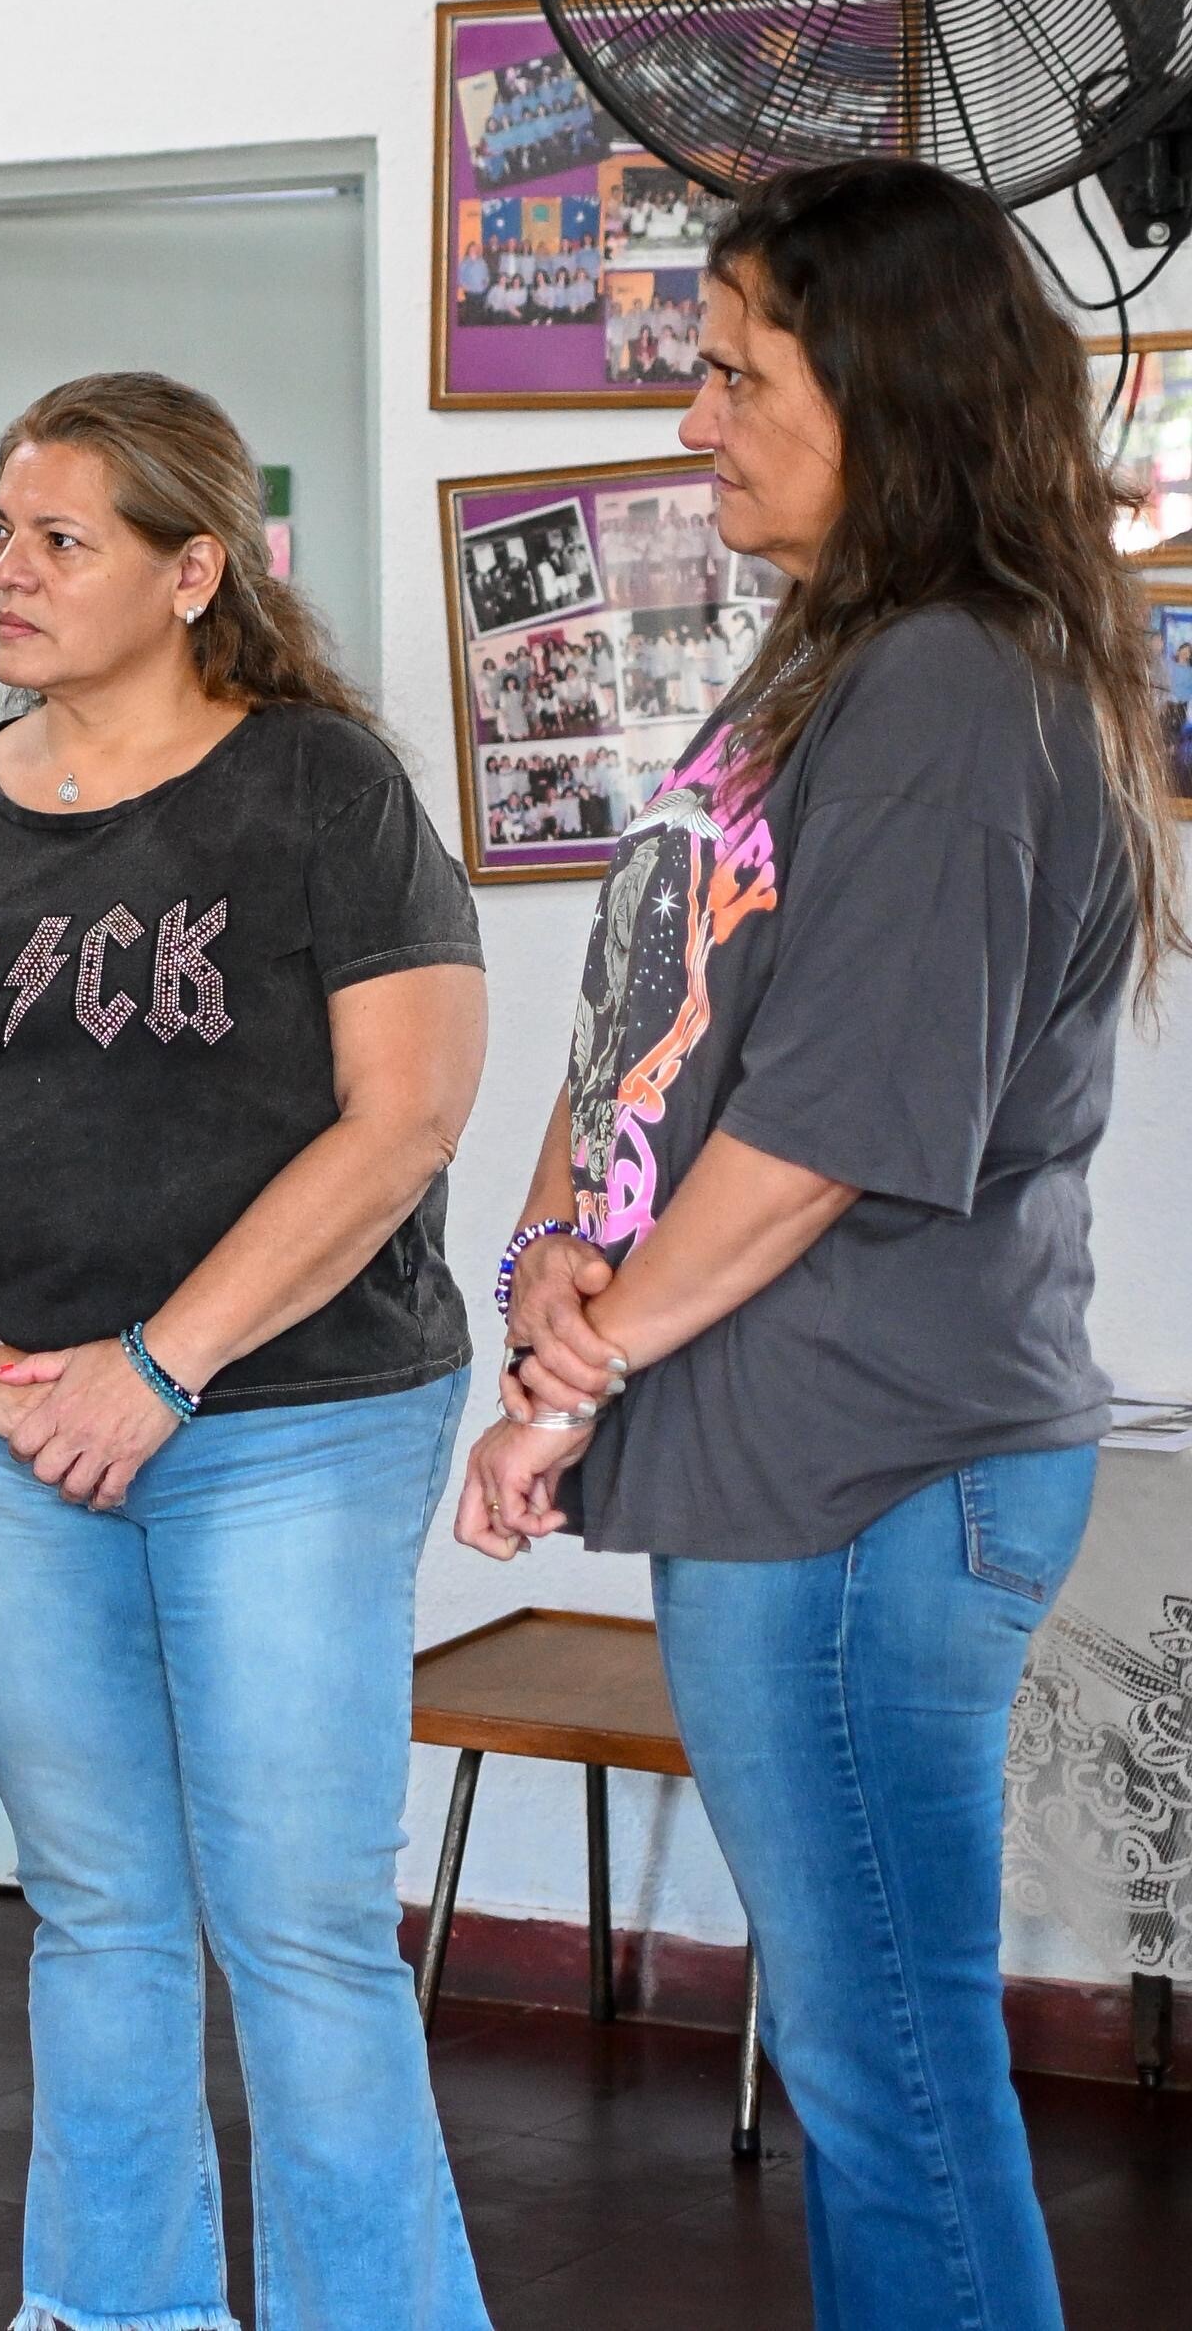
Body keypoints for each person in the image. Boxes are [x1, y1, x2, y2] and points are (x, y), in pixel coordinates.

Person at [461, 161, 1175, 2331]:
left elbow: (832, 1130)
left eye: (735, 375)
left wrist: (575, 1372)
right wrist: (547, 1254)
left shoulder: (951, 687)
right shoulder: (832, 665)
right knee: (876, 2075)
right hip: (791, 1459)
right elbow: (655, 1016)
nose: (693, 420)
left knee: (891, 2084)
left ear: (889, 391)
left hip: (874, 1472)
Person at [0, 371, 494, 2331]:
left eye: (59, 539)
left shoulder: (320, 790)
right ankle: (115, 2311)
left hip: (286, 1418)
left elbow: (406, 1115)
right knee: (97, 1905)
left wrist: (157, 1366)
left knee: (301, 1923)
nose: (6, 572)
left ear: (194, 572)